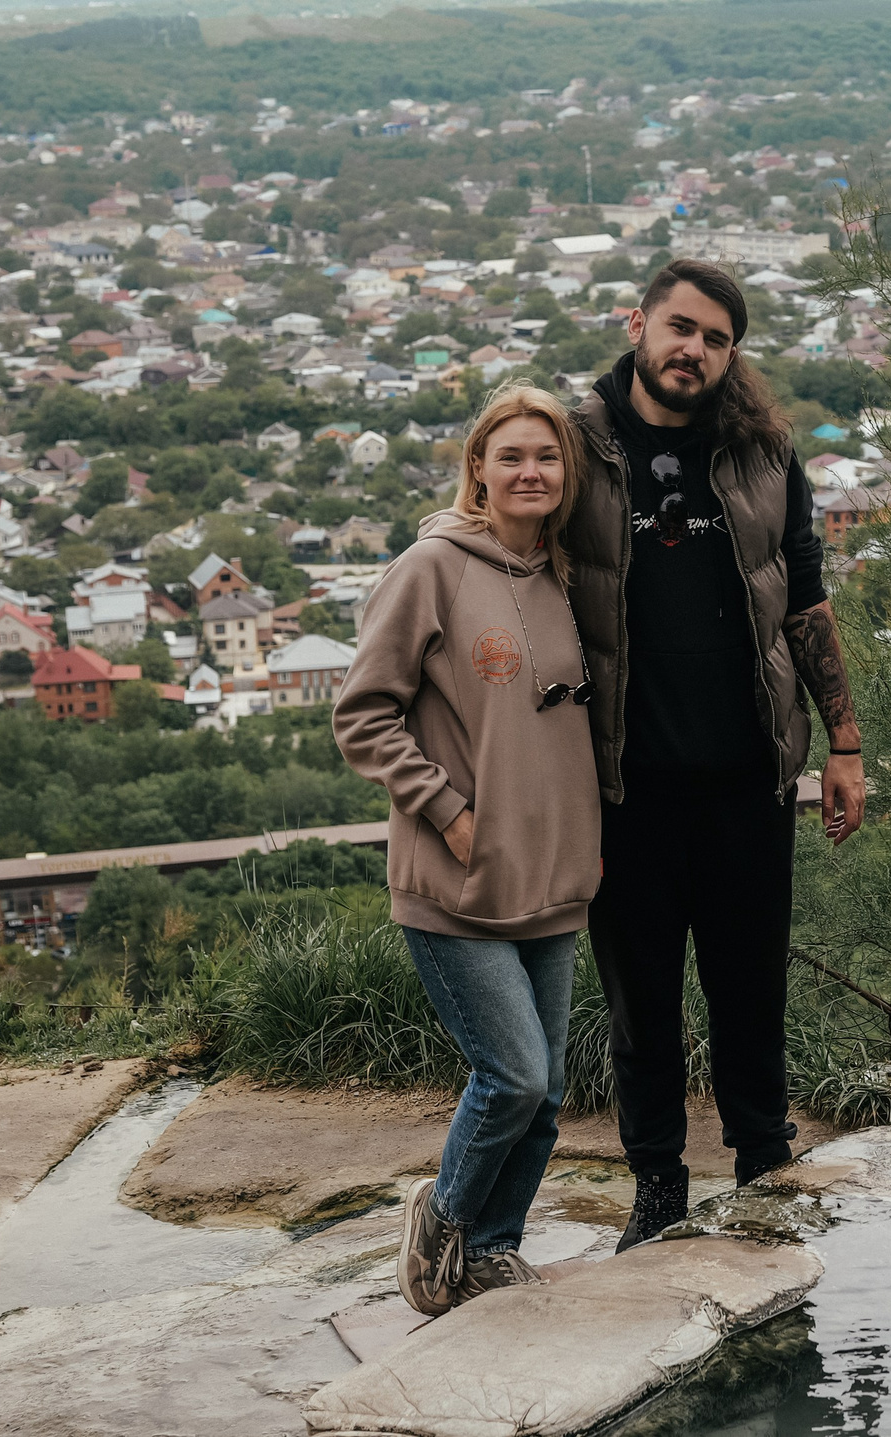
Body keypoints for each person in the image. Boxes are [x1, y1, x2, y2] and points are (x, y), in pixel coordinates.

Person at [563, 258, 868, 1251]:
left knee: (751, 988)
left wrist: (845, 744)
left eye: (716, 338)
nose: (692, 349)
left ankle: (761, 1161)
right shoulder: (575, 445)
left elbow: (808, 600)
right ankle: (658, 1184)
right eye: (679, 328)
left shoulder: (764, 451)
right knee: (641, 1003)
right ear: (638, 323)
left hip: (748, 775)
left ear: (732, 354)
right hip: (622, 785)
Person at [333, 381, 600, 1315]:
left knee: (549, 1090)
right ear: (477, 469)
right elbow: (362, 714)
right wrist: (446, 809)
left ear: (567, 474)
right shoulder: (431, 568)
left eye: (548, 456)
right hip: (456, 875)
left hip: (555, 874)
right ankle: (440, 1221)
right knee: (513, 1074)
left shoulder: (570, 578)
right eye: (512, 456)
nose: (531, 472)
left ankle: (491, 1248)